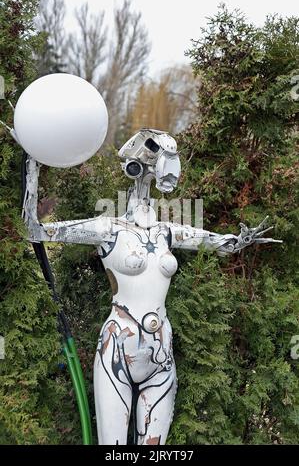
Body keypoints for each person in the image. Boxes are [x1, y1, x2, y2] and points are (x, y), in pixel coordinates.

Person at [22, 128, 281, 445]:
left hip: (162, 352)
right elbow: (35, 230)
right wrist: (33, 167)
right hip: (117, 347)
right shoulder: (107, 228)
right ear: (134, 169)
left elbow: (218, 244)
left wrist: (241, 240)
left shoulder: (167, 232)